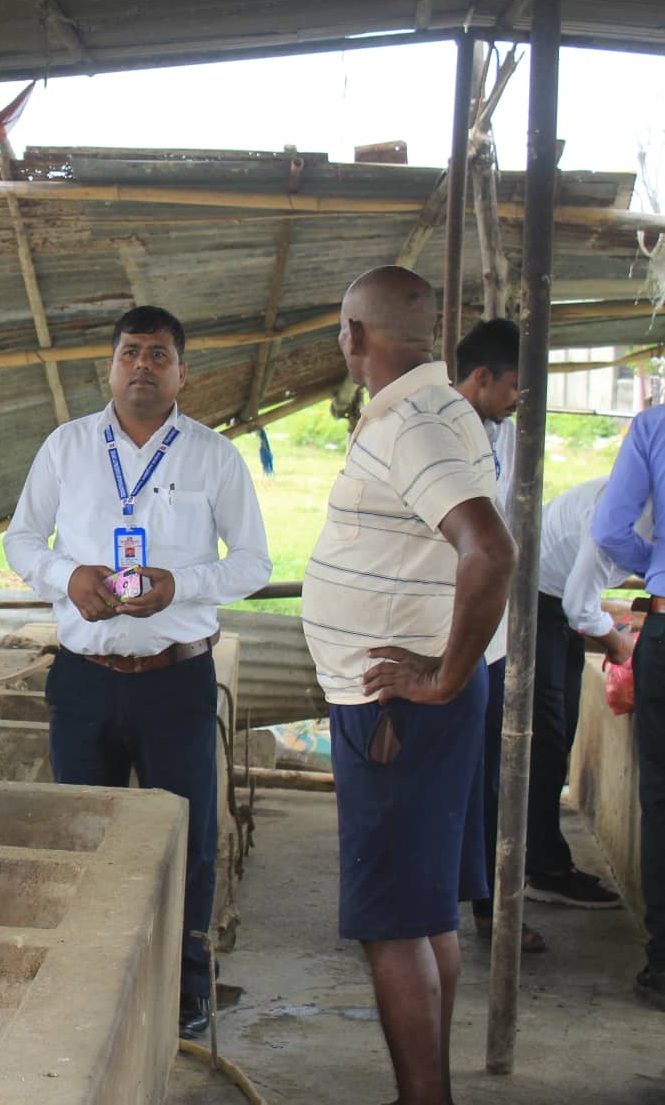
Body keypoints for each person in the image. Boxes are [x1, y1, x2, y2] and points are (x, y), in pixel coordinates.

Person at [5, 305, 270, 1040]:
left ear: (183, 372)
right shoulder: (66, 447)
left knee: (184, 839)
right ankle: (86, 982)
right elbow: (22, 541)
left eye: (159, 355)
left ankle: (187, 991)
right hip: (85, 677)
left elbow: (254, 562)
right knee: (82, 833)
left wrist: (179, 585)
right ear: (111, 367)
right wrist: (69, 575)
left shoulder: (213, 456)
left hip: (175, 677)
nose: (143, 367)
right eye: (131, 353)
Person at [302, 266, 516, 1104]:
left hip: (398, 706)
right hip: (415, 697)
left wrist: (440, 678)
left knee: (394, 922)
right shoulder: (436, 408)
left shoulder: (415, 424)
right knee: (426, 912)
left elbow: (489, 550)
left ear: (353, 335)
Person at [450, 319, 538, 945]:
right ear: (481, 377)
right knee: (452, 772)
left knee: (487, 775)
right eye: (514, 386)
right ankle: (447, 907)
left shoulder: (501, 433)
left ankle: (483, 902)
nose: (518, 399)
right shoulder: (440, 435)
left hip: (493, 635)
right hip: (449, 630)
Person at [526, 478, 630, 908]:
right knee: (545, 740)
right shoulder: (620, 514)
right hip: (536, 601)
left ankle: (539, 859)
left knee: (557, 732)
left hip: (554, 600)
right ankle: (543, 868)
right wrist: (621, 646)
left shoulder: (639, 493)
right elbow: (581, 607)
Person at [591, 410, 665, 1012]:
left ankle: (664, 967)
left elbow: (612, 529)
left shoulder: (655, 427)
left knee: (662, 799)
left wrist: (657, 559)